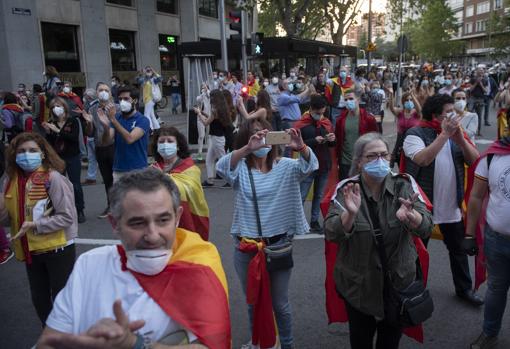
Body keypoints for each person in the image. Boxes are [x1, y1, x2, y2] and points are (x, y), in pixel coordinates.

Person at [36, 169, 231, 349]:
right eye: (138, 223)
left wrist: (136, 344)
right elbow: (49, 342)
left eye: (163, 220)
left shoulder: (199, 266)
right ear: (114, 223)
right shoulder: (90, 264)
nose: (153, 235)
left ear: (178, 217)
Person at [324, 132, 433, 349]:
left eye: (384, 155)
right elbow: (331, 233)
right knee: (360, 340)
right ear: (359, 161)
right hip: (358, 286)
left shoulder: (404, 184)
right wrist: (350, 215)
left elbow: (427, 225)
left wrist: (412, 218)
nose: (380, 161)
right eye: (372, 156)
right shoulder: (346, 189)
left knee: (390, 342)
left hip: (397, 283)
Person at [216, 119, 318, 349]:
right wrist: (246, 149)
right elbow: (221, 167)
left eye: (265, 135)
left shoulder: (286, 166)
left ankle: (287, 344)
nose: (261, 139)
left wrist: (300, 147)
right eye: (255, 135)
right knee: (253, 302)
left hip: (278, 246)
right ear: (246, 139)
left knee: (280, 304)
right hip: (247, 248)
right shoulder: (240, 168)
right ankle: (259, 342)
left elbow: (311, 166)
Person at [402, 93, 483, 305]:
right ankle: (415, 292)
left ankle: (464, 289)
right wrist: (444, 136)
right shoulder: (415, 133)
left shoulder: (456, 134)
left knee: (458, 251)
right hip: (423, 206)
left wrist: (461, 141)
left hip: (451, 207)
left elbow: (476, 162)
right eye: (448, 112)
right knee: (417, 252)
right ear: (436, 115)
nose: (454, 115)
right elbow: (422, 159)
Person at [0, 132, 77, 324]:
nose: (27, 155)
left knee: (63, 300)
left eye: (33, 150)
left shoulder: (53, 178)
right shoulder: (9, 181)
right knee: (41, 301)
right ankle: (51, 337)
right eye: (22, 151)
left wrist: (36, 225)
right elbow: (10, 219)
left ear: (43, 153)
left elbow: (67, 217)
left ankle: (69, 339)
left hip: (58, 248)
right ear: (14, 155)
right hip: (30, 251)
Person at [464, 136, 510, 349]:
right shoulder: (492, 157)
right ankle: (489, 333)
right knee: (496, 288)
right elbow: (475, 197)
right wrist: (469, 234)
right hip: (497, 240)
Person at [150, 126, 209, 240]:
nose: (165, 144)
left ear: (177, 146)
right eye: (161, 142)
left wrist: (163, 177)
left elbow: (188, 190)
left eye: (170, 141)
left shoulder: (190, 168)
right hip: (160, 222)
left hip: (185, 221)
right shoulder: (153, 168)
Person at [295, 94, 336, 234]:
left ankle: (314, 221)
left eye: (322, 112)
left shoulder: (326, 122)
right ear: (311, 109)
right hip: (307, 165)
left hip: (324, 164)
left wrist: (331, 139)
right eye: (318, 113)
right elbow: (296, 144)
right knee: (301, 194)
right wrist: (314, 141)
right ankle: (296, 222)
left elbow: (332, 145)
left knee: (319, 195)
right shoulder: (302, 123)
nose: (320, 115)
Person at [43, 97, 86, 223]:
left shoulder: (72, 121)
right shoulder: (51, 122)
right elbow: (49, 144)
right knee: (58, 185)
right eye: (53, 107)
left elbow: (73, 138)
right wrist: (49, 133)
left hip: (72, 156)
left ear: (64, 106)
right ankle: (61, 209)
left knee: (75, 184)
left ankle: (79, 209)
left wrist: (58, 131)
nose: (57, 108)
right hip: (58, 158)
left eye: (59, 105)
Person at [97, 86, 150, 182]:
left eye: (126, 99)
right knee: (118, 197)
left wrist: (113, 120)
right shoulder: (117, 117)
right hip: (119, 170)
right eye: (120, 99)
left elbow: (130, 139)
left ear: (135, 101)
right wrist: (105, 127)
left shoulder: (143, 120)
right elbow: (106, 142)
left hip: (138, 169)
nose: (122, 102)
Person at [82, 82, 117, 218]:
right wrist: (89, 123)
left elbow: (112, 135)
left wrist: (107, 125)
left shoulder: (117, 108)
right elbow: (90, 133)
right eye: (100, 90)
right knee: (107, 179)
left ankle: (120, 206)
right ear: (96, 93)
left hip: (114, 147)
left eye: (106, 90)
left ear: (110, 93)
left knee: (117, 179)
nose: (103, 92)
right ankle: (110, 206)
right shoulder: (92, 109)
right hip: (99, 148)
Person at [334, 90, 378, 180]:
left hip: (363, 161)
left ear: (358, 100)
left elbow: (376, 140)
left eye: (351, 98)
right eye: (345, 100)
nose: (348, 102)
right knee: (344, 189)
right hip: (345, 162)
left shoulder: (368, 119)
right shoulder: (340, 119)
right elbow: (338, 139)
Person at [194, 90, 232, 187]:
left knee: (223, 160)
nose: (210, 99)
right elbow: (212, 119)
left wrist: (199, 113)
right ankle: (210, 180)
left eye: (211, 97)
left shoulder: (215, 110)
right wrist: (203, 113)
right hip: (217, 137)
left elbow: (206, 123)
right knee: (209, 159)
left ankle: (230, 179)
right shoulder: (222, 108)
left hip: (217, 138)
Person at [386, 89, 421, 169]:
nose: (409, 101)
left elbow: (419, 108)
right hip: (400, 142)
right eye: (407, 100)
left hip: (413, 141)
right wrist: (391, 95)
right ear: (403, 102)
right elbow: (391, 108)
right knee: (400, 163)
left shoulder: (416, 113)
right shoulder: (400, 112)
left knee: (411, 164)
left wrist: (413, 95)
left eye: (410, 100)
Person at [137, 66, 162, 130]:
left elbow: (160, 78)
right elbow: (138, 80)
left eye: (149, 70)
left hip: (151, 99)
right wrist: (140, 74)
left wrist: (154, 72)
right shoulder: (144, 79)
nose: (148, 72)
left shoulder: (154, 79)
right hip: (146, 99)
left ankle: (150, 128)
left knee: (146, 114)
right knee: (151, 114)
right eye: (147, 70)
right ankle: (157, 127)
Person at [470, 68, 489, 135]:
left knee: (479, 115)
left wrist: (480, 84)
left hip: (480, 99)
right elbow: (470, 89)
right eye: (479, 71)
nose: (481, 72)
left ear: (483, 73)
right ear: (477, 72)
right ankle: (469, 129)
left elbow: (486, 91)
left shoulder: (485, 80)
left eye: (482, 71)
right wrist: (476, 83)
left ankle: (478, 131)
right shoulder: (473, 79)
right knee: (470, 113)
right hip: (472, 98)